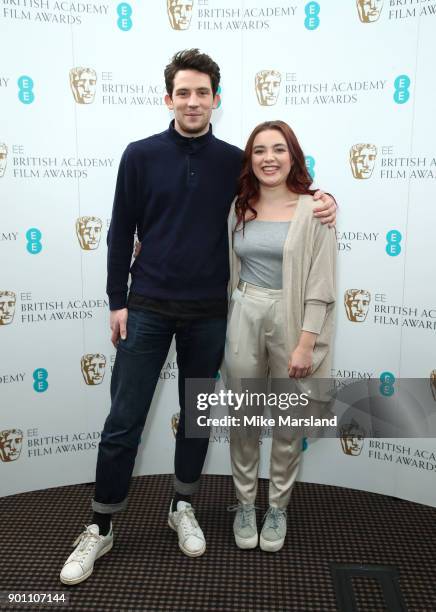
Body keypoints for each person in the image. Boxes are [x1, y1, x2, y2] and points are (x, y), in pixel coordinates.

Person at [60, 49, 336, 585]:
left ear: (216, 100)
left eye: (202, 93)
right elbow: (120, 232)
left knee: (197, 418)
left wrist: (324, 199)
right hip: (146, 308)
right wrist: (117, 299)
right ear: (169, 98)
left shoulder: (236, 161)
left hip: (211, 313)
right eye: (182, 92)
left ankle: (181, 507)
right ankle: (99, 526)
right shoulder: (138, 155)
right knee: (124, 420)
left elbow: (282, 191)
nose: (192, 101)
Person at [225, 120, 336, 552]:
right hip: (244, 313)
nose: (268, 158)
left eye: (278, 149)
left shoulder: (315, 209)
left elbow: (321, 284)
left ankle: (278, 507)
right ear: (249, 160)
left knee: (288, 422)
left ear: (293, 156)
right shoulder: (238, 207)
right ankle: (245, 505)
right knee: (244, 419)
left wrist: (306, 342)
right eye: (258, 151)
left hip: (292, 316)